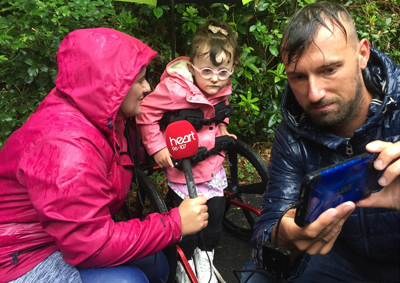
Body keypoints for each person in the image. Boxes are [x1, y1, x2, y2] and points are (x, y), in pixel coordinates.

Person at [0, 28, 209, 283]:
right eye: (141, 80)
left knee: (157, 266)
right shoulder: (66, 147)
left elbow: (121, 158)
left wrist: (161, 138)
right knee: (129, 281)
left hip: (64, 233)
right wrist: (175, 223)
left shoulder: (103, 117)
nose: (148, 87)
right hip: (20, 256)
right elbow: (92, 244)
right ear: (111, 86)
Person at [241, 2, 400, 283]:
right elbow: (264, 239)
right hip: (340, 257)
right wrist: (285, 235)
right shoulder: (293, 135)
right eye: (299, 76)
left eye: (329, 70)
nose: (313, 94)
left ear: (362, 54)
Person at [136, 19, 240, 283]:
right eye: (207, 71)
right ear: (192, 68)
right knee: (190, 225)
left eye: (223, 72)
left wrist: (223, 129)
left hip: (212, 165)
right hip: (185, 167)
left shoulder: (221, 88)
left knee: (215, 216)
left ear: (231, 70)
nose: (215, 80)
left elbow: (220, 112)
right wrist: (156, 146)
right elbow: (145, 112)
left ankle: (205, 261)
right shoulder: (173, 89)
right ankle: (186, 265)